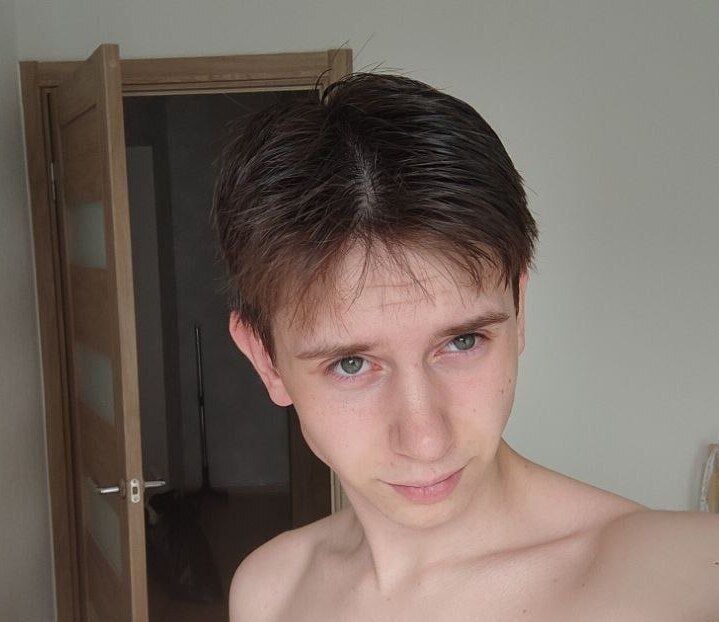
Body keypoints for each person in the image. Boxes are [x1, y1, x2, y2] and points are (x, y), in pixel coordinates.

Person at [212, 72, 719, 621]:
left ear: (519, 311)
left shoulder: (689, 580)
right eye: (351, 364)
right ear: (266, 360)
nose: (426, 440)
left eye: (463, 340)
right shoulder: (268, 592)